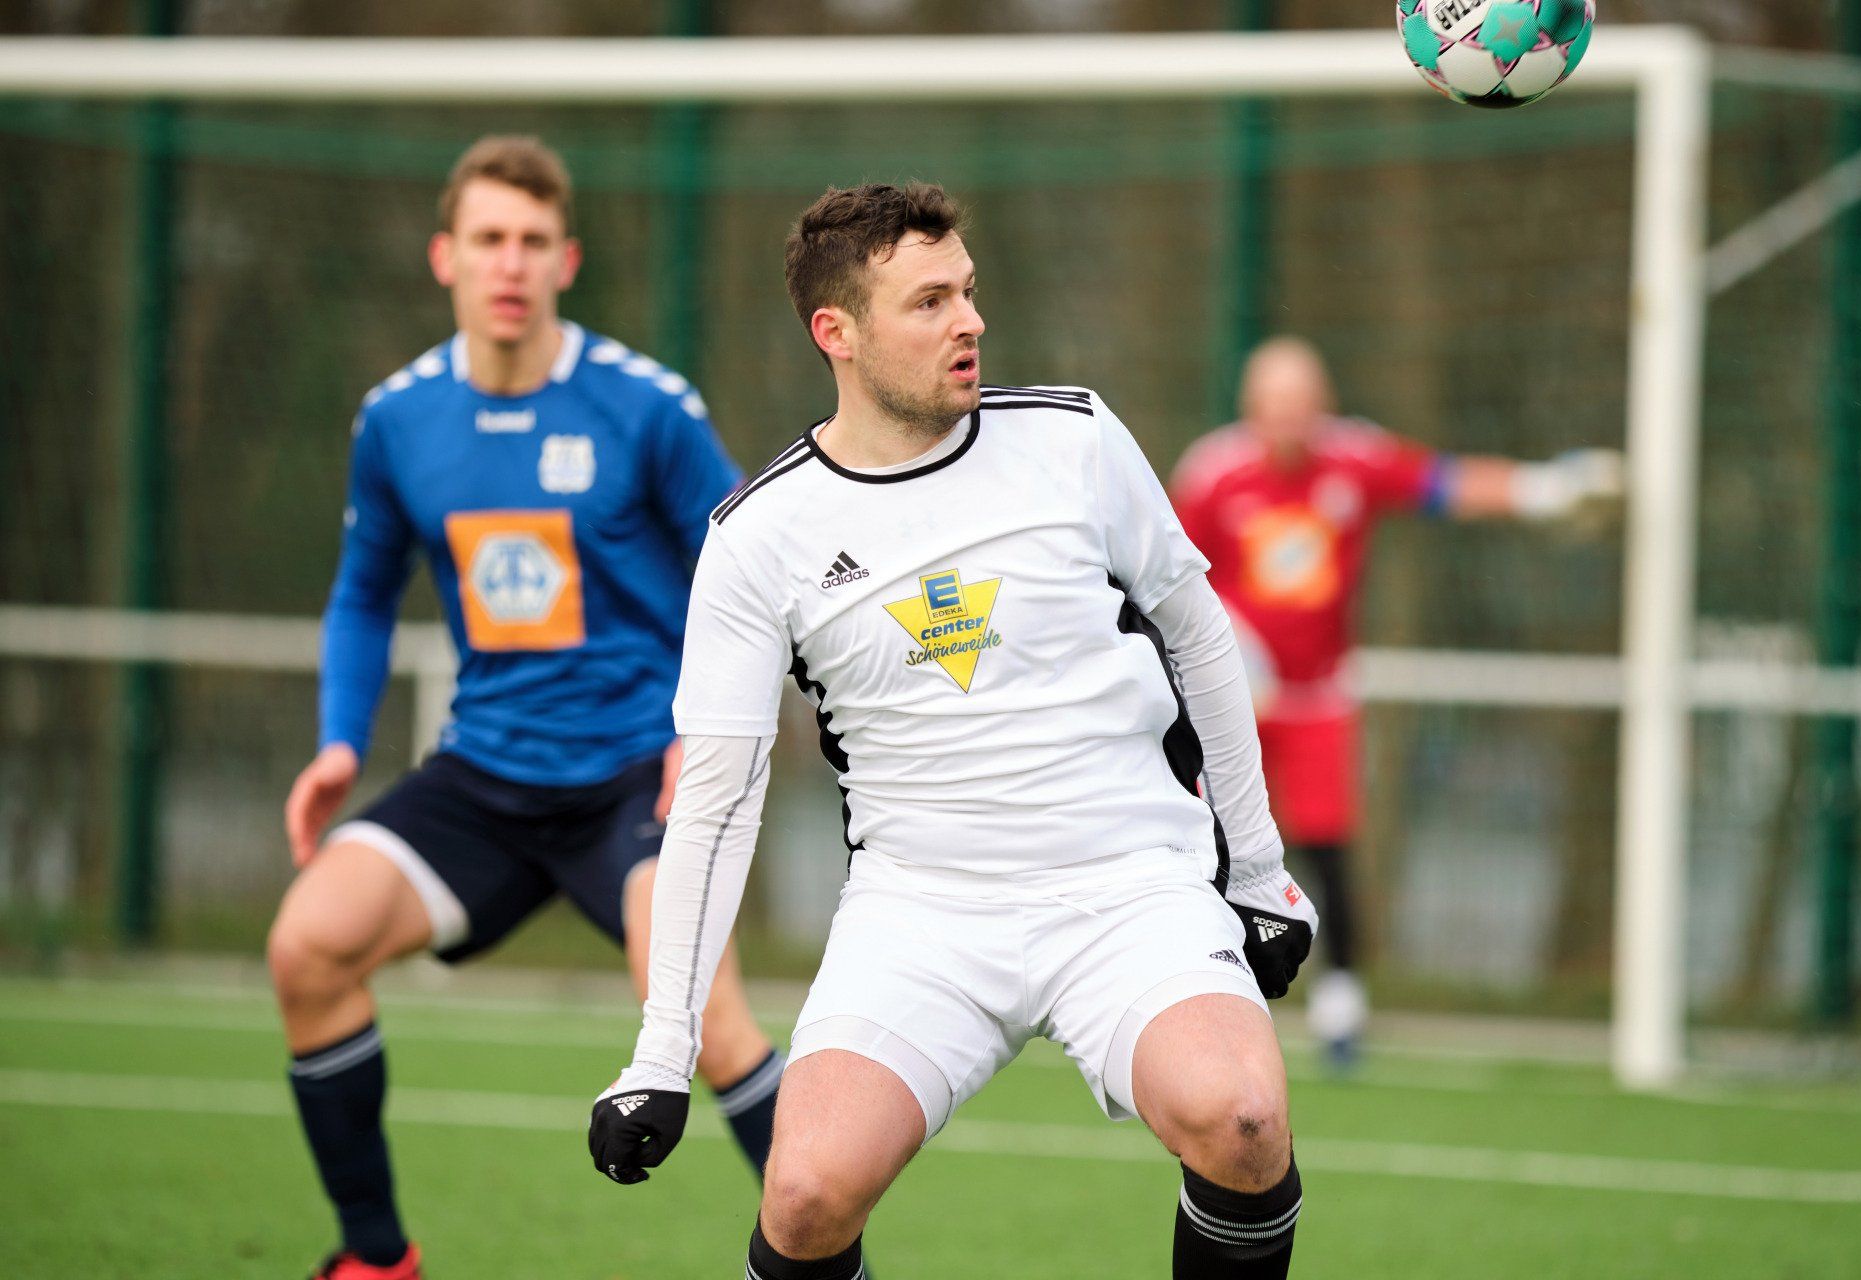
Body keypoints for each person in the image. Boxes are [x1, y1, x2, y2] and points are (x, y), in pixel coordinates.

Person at [586, 181, 1319, 1280]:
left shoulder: (1073, 436)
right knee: (805, 1194)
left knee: (1245, 1120)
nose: (969, 321)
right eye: (929, 302)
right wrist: (661, 1050)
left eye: (967, 291)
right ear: (836, 332)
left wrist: (1256, 869)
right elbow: (716, 798)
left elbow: (1200, 635)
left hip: (1131, 883)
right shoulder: (757, 536)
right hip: (919, 911)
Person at [268, 136, 783, 1280]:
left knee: (707, 1023)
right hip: (485, 777)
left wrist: (705, 736)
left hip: (638, 775)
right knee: (306, 945)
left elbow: (754, 576)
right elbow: (362, 593)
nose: (511, 262)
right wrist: (339, 743)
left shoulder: (645, 408)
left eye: (533, 241)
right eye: (490, 238)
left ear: (567, 261)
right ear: (445, 256)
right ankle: (375, 1256)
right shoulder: (399, 418)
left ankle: (833, 1266)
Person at [1169, 337, 1623, 1069]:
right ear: (1250, 407)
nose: (1288, 417)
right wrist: (1235, 647)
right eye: (1274, 403)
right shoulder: (1211, 473)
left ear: (1324, 404)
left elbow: (1445, 484)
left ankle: (1342, 1003)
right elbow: (1170, 579)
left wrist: (1544, 491)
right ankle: (1196, 989)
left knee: (1327, 845)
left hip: (1319, 697)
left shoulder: (1354, 458)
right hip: (1233, 701)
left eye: (1301, 402)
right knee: (1209, 845)